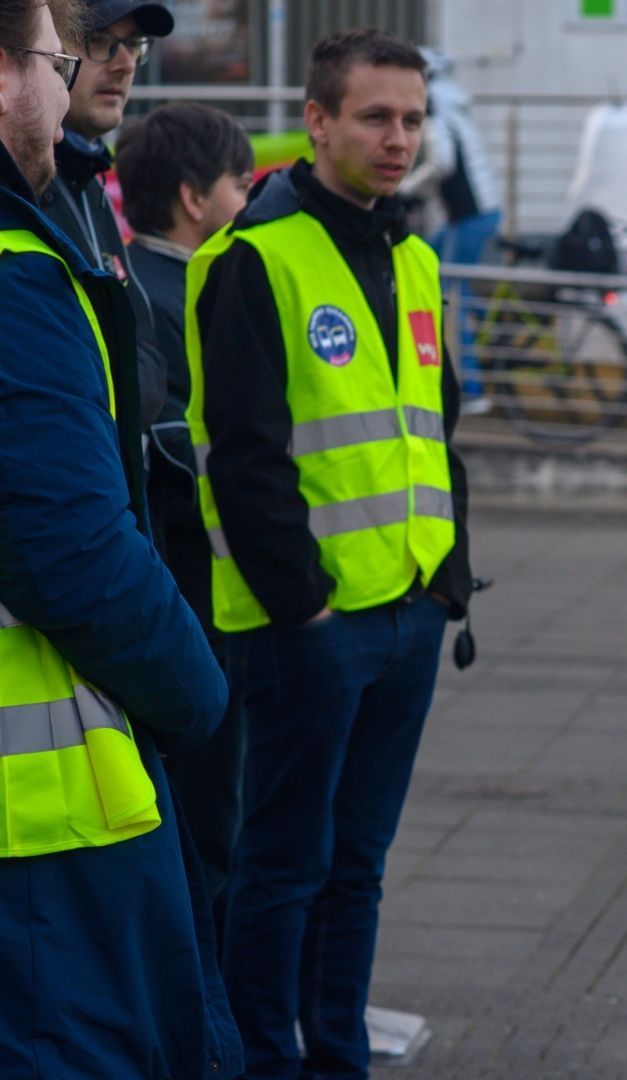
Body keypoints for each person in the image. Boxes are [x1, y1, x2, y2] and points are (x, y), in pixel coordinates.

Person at [187, 28, 473, 1079]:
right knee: (282, 866)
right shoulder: (253, 258)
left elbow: (435, 435)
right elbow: (247, 460)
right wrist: (303, 609)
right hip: (307, 628)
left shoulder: (416, 257)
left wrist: (449, 579)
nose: (399, 139)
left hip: (405, 613)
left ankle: (337, 1057)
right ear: (316, 122)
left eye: (412, 119)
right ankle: (267, 1061)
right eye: (375, 118)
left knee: (357, 869)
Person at [0, 0, 237, 1075]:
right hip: (43, 834)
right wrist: (194, 691)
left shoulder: (69, 211)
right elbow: (70, 547)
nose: (86, 72)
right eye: (63, 54)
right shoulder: (18, 266)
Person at [115, 100, 255, 940]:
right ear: (195, 198)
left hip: (199, 597)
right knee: (213, 826)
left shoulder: (144, 282)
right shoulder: (171, 296)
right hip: (200, 597)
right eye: (243, 185)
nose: (253, 200)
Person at [40, 0, 171, 427]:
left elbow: (148, 354)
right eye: (99, 41)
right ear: (45, 49)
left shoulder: (88, 181)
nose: (125, 64)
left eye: (133, 45)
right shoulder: (25, 184)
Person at [399, 46, 499, 406]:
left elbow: (441, 162)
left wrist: (405, 189)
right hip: (480, 211)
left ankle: (470, 390)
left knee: (450, 297)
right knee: (425, 266)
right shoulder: (453, 104)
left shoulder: (437, 108)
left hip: (468, 216)